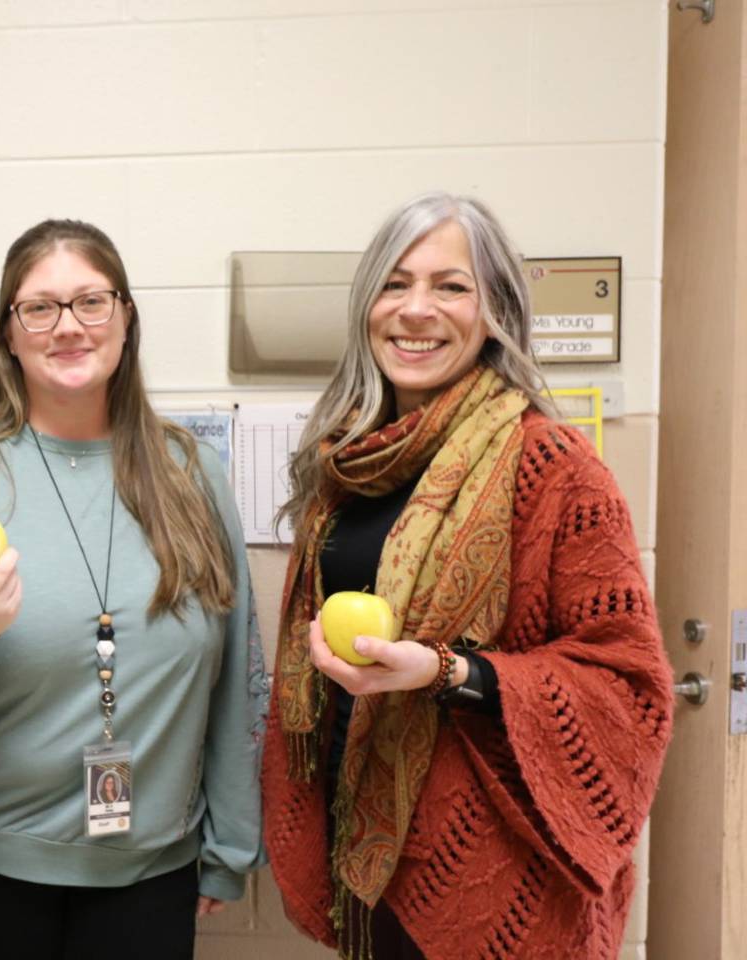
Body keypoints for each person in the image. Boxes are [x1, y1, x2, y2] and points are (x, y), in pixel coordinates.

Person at [261, 193, 674, 959]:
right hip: (370, 856)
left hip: (500, 870)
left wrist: (446, 671)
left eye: (451, 286)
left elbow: (630, 691)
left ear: (496, 312)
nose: (416, 309)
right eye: (395, 283)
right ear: (366, 308)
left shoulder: (554, 467)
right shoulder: (346, 465)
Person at [0, 218, 267, 960]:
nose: (67, 326)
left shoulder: (192, 472)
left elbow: (238, 674)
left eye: (90, 302)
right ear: (8, 335)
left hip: (155, 862)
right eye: (38, 308)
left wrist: (232, 841)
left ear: (127, 317)